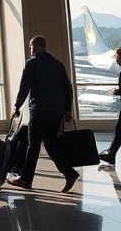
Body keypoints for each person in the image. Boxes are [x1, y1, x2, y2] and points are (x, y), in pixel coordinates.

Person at [6, 35, 80, 193]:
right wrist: (67, 110)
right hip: (57, 111)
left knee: (33, 145)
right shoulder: (58, 65)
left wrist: (16, 106)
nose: (31, 50)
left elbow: (24, 87)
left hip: (39, 110)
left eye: (31, 47)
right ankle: (69, 172)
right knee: (51, 143)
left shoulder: (31, 64)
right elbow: (68, 89)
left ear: (33, 47)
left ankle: (26, 180)